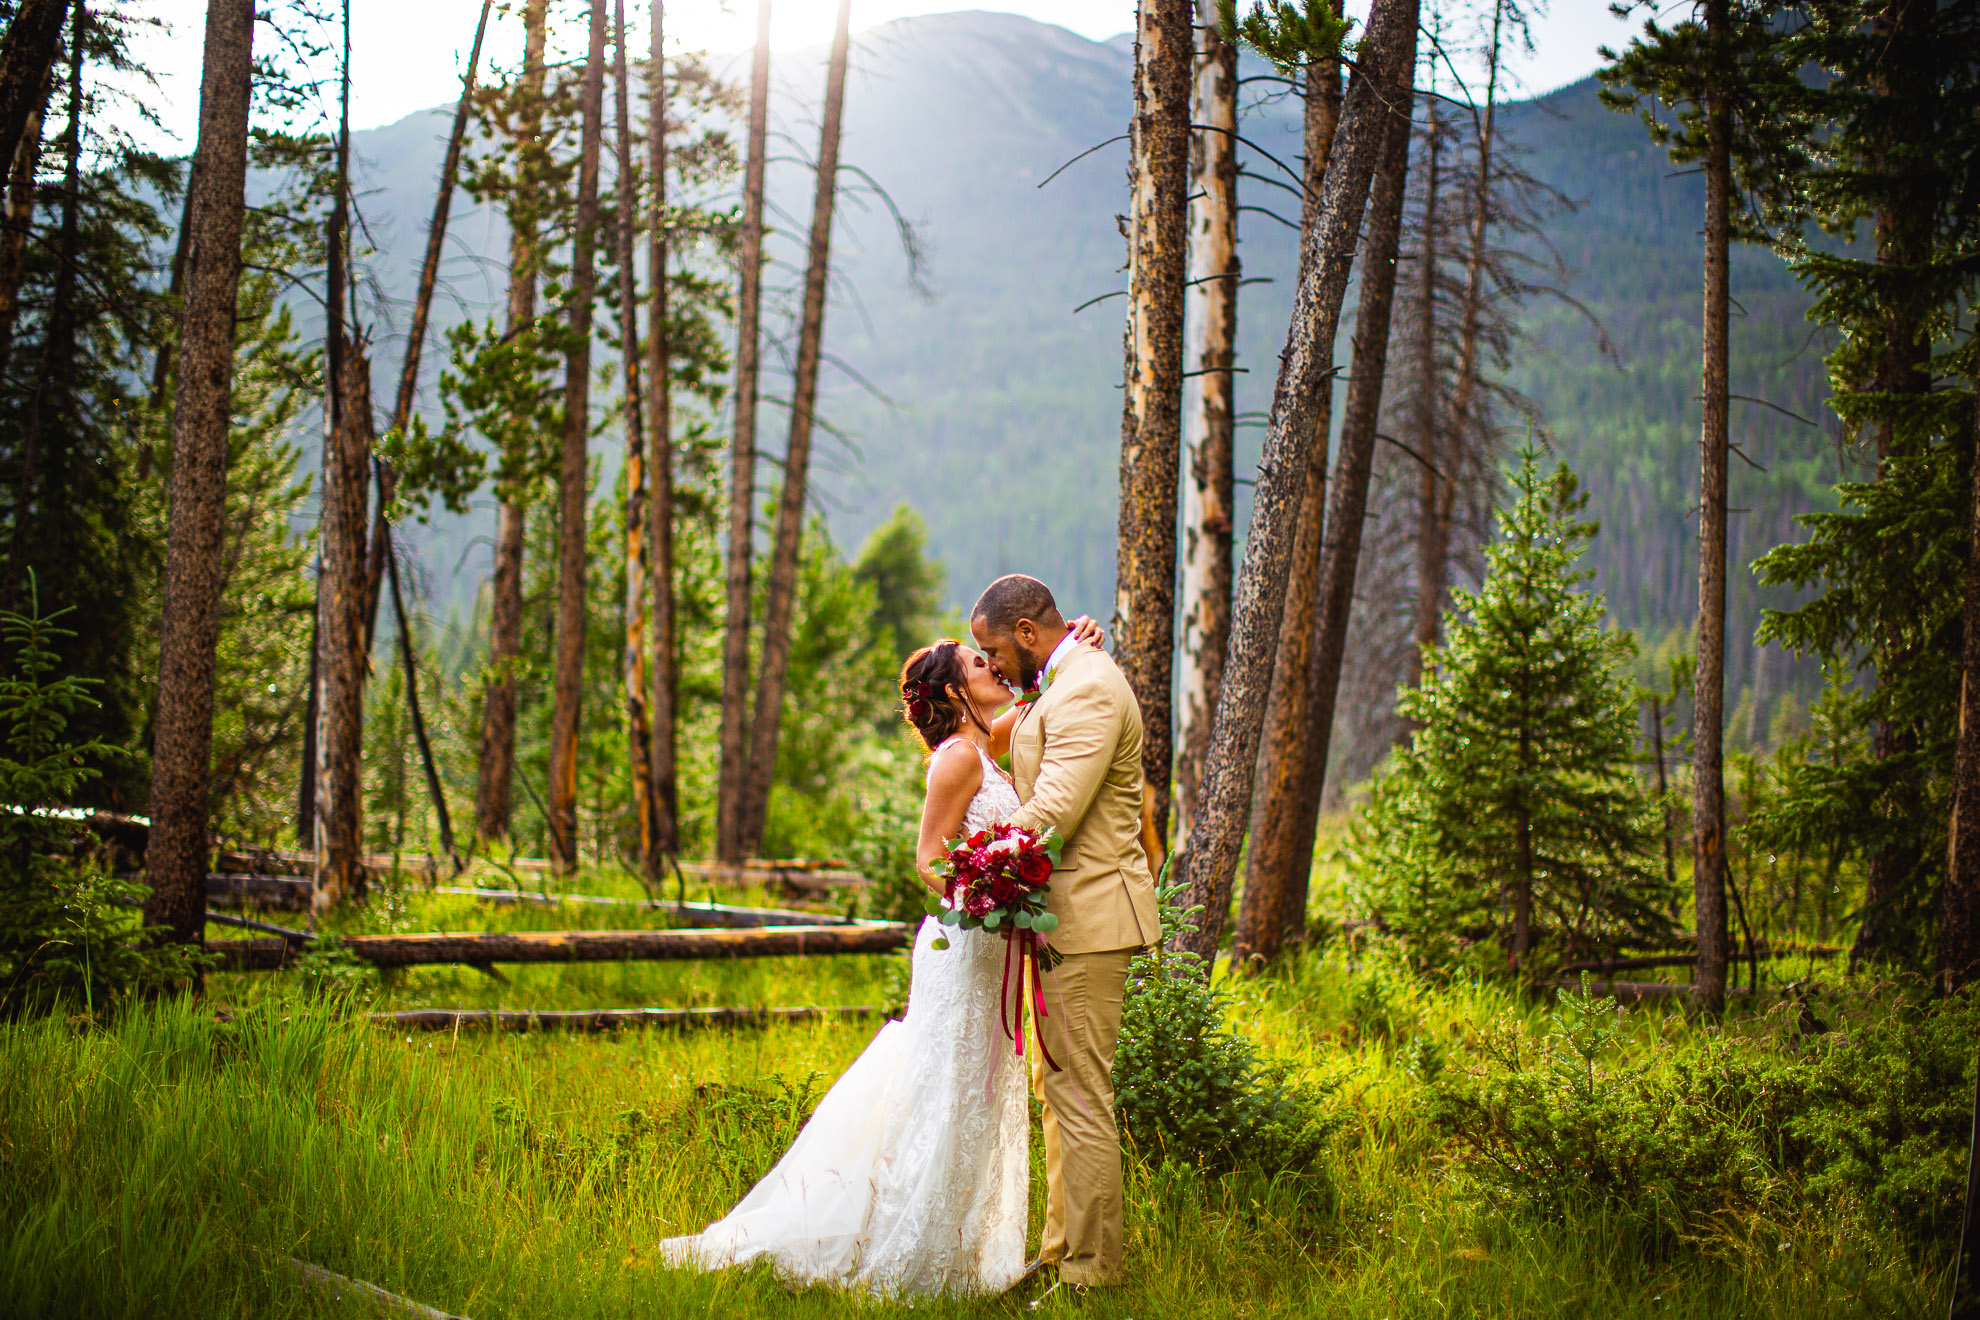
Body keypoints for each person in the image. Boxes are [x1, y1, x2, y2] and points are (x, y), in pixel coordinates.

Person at [660, 617, 1103, 1297]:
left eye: (991, 661)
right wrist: (982, 885)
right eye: (977, 665)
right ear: (957, 693)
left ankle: (966, 1251)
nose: (992, 667)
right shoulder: (956, 759)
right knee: (950, 1090)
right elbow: (929, 856)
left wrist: (1074, 644)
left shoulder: (995, 742)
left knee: (983, 1093)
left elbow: (1041, 691)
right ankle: (915, 1251)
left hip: (994, 952)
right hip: (963, 945)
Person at [969, 573, 1160, 1293]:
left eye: (992, 651)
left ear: (1025, 633)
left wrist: (974, 863)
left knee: (1080, 1098)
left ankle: (1089, 1274)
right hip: (1066, 920)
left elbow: (1054, 810)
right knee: (1062, 1093)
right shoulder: (1065, 675)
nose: (988, 666)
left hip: (1090, 919)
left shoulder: (1085, 685)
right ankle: (1059, 1256)